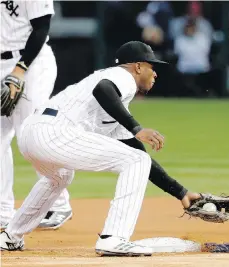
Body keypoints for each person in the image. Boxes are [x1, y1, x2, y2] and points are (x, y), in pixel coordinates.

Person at [0, 41, 203, 256]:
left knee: (61, 177)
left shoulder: (113, 106)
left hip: (33, 133)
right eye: (152, 67)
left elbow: (139, 153)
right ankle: (114, 238)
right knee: (135, 162)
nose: (155, 74)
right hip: (53, 131)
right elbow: (103, 89)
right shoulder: (121, 76)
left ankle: (11, 235)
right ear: (138, 66)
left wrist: (181, 192)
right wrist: (137, 128)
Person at [0, 0, 73, 230]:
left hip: (30, 63)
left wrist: (20, 70)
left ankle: (59, 204)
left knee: (30, 135)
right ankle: (2, 211)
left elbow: (41, 28)